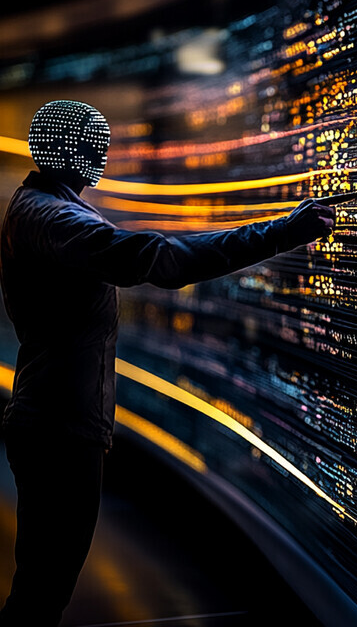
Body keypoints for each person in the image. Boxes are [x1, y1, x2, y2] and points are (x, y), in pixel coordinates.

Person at [0, 99, 336, 625]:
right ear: (68, 148)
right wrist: (279, 233)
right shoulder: (52, 217)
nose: (103, 153)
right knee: (42, 592)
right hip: (58, 430)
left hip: (59, 422)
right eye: (94, 140)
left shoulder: (50, 209)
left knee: (44, 588)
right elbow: (158, 260)